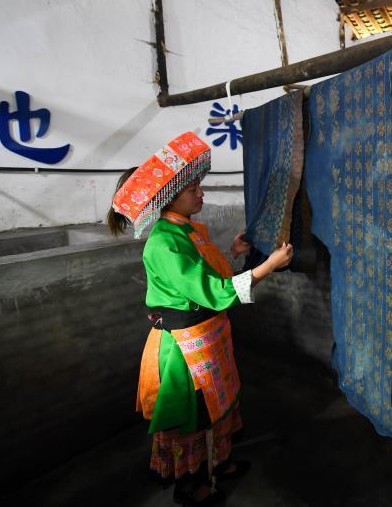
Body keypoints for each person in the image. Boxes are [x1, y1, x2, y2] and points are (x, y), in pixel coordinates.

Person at [107, 131, 293, 506]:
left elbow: (209, 276)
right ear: (169, 196)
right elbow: (213, 291)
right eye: (193, 189)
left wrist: (233, 253)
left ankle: (218, 463)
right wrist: (268, 267)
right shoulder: (164, 242)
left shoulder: (187, 231)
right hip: (185, 348)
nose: (200, 193)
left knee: (217, 407)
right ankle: (191, 486)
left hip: (208, 337)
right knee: (194, 414)